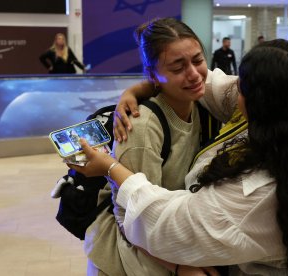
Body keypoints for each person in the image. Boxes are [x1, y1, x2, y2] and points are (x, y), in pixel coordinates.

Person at [71, 39, 288, 275]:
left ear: (261, 105)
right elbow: (210, 82)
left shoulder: (255, 195)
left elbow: (163, 223)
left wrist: (110, 167)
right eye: (178, 66)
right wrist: (138, 89)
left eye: (242, 88)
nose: (193, 76)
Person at [83, 18, 239, 276]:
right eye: (178, 68)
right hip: (128, 259)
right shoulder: (141, 128)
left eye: (198, 61)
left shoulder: (203, 104)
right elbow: (134, 217)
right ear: (153, 73)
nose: (193, 74)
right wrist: (180, 266)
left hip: (170, 242)